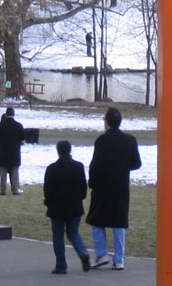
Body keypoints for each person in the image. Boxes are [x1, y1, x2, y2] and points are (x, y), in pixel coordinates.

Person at [86, 107, 141, 271]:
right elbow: (137, 163)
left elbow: (95, 165)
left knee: (96, 220)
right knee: (119, 223)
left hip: (102, 187)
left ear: (107, 122)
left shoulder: (101, 141)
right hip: (121, 187)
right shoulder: (130, 140)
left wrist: (92, 183)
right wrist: (122, 167)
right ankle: (119, 259)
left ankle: (102, 253)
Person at [44, 140, 91, 275]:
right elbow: (83, 187)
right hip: (75, 206)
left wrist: (49, 203)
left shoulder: (52, 169)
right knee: (73, 233)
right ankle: (83, 253)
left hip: (56, 207)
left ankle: (61, 265)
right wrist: (79, 198)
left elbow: (48, 189)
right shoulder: (78, 166)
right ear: (70, 150)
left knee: (58, 235)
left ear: (58, 151)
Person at [0, 106, 25, 195]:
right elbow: (23, 137)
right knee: (14, 172)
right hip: (14, 153)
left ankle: (3, 190)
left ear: (6, 114)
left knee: (3, 173)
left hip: (2, 153)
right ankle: (15, 189)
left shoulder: (0, 125)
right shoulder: (18, 125)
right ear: (14, 114)